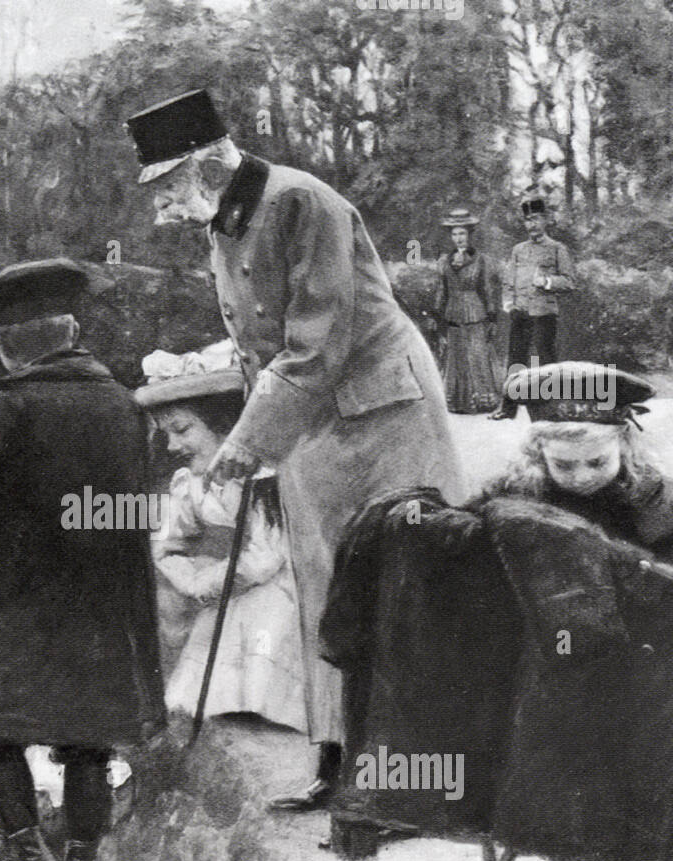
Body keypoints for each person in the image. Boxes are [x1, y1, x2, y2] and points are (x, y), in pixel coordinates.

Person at [125, 89, 464, 815]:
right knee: (322, 589)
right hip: (311, 419)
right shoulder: (225, 222)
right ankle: (338, 764)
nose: (164, 208)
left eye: (169, 187)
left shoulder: (303, 201)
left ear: (207, 164)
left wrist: (249, 440)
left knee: (399, 584)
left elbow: (318, 339)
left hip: (383, 412)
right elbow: (264, 346)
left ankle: (414, 783)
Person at [0, 258, 166, 861]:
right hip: (101, 606)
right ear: (71, 329)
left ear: (12, 341)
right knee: (88, 739)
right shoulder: (122, 404)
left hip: (17, 603)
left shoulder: (7, 406)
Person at [481, 362, 673, 861]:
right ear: (538, 454)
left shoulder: (659, 504)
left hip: (649, 662)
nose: (582, 476)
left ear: (625, 446)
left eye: (598, 461)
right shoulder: (513, 501)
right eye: (564, 465)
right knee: (568, 744)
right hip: (544, 666)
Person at [135, 342, 306, 733]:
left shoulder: (264, 481)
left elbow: (267, 557)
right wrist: (189, 576)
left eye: (181, 430)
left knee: (262, 615)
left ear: (225, 427)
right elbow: (165, 543)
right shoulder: (190, 484)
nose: (173, 446)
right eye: (165, 435)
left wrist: (212, 581)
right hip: (230, 587)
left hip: (281, 588)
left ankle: (265, 706)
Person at [489, 187, 577, 420]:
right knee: (515, 361)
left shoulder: (558, 249)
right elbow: (509, 281)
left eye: (536, 219)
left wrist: (546, 281)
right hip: (520, 313)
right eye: (527, 220)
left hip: (544, 314)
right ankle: (508, 408)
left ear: (546, 220)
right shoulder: (518, 250)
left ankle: (550, 410)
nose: (532, 225)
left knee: (546, 363)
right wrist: (508, 303)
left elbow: (569, 282)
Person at [435, 207, 502, 414]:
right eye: (455, 234)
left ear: (470, 234)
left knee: (477, 354)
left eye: (462, 233)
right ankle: (457, 401)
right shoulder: (444, 261)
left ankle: (483, 400)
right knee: (455, 356)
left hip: (475, 312)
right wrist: (438, 320)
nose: (459, 238)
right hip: (453, 312)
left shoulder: (482, 261)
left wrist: (492, 318)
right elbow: (441, 291)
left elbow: (489, 291)